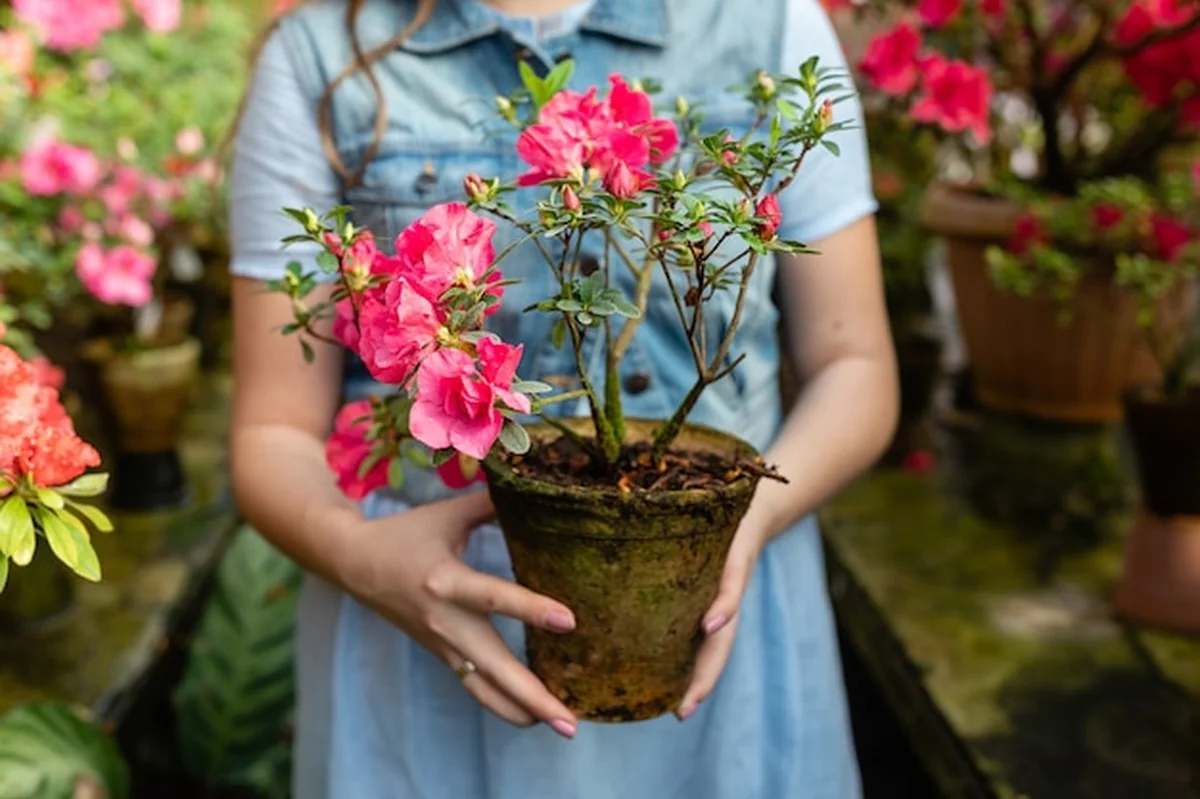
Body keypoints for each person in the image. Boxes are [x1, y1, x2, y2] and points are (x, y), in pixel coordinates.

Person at [228, 0, 898, 796]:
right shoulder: (319, 59)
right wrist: (363, 557)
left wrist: (739, 523)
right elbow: (273, 429)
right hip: (423, 622)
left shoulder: (768, 27)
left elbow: (855, 363)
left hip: (719, 594)